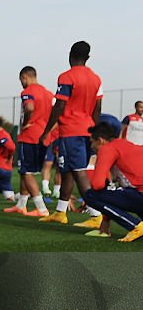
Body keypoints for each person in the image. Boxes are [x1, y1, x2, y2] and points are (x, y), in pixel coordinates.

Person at [38, 41, 104, 227]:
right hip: (87, 130)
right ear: (88, 58)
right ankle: (60, 212)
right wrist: (94, 129)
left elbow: (60, 105)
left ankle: (96, 215)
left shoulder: (66, 76)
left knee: (78, 172)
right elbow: (98, 107)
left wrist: (46, 131)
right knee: (66, 170)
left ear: (70, 55)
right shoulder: (96, 78)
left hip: (71, 131)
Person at [81, 123, 143, 242]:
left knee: (91, 195)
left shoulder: (107, 148)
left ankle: (136, 226)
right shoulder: (126, 144)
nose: (92, 147)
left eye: (92, 142)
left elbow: (97, 184)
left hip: (139, 194)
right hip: (138, 194)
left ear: (100, 140)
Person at [8, 66, 54, 217]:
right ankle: (21, 205)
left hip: (30, 135)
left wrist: (25, 123)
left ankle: (41, 208)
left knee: (26, 172)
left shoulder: (28, 92)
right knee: (26, 171)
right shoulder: (48, 93)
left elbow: (29, 107)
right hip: (44, 136)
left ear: (24, 77)